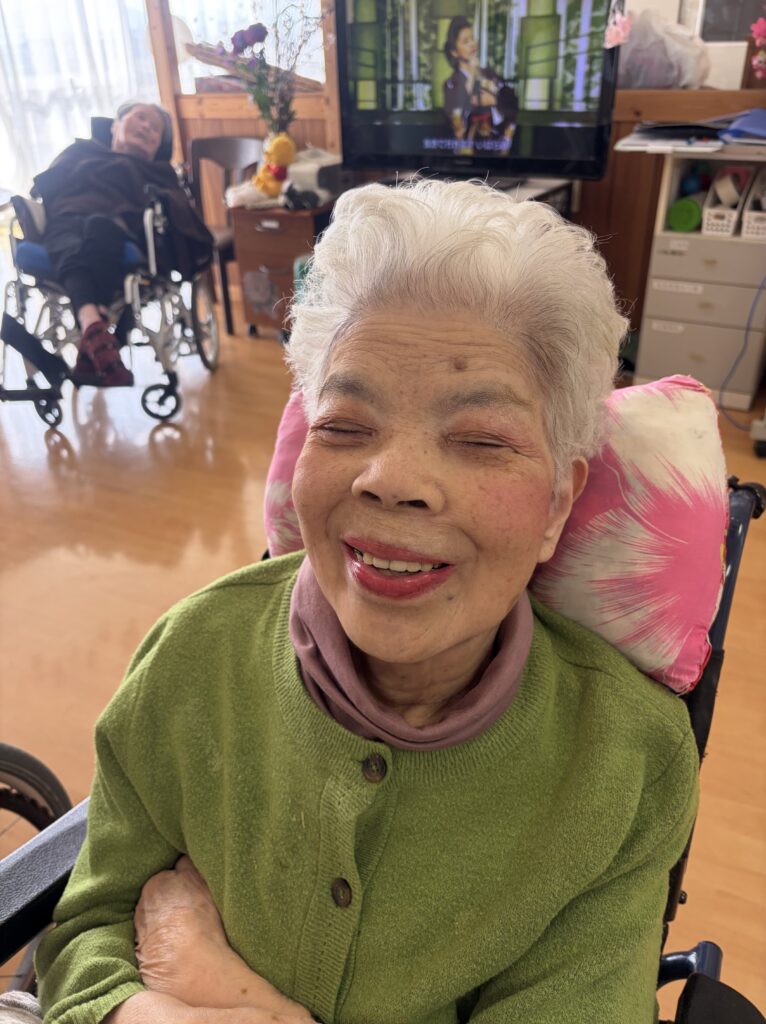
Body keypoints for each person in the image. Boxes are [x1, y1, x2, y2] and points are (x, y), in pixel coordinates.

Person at [36, 179, 698, 1024]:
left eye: (479, 439)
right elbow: (85, 931)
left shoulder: (625, 761)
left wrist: (221, 995)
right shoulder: (193, 658)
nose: (392, 479)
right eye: (345, 426)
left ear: (558, 505)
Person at [31, 102, 213, 387]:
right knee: (67, 235)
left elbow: (182, 220)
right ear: (114, 125)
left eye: (155, 129)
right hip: (65, 223)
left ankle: (90, 328)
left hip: (118, 232)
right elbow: (44, 190)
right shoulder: (80, 153)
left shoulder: (159, 174)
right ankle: (95, 330)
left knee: (97, 228)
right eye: (140, 118)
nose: (146, 127)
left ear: (158, 147)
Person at [443, 16, 518, 152]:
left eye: (472, 38)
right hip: (466, 152)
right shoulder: (451, 84)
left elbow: (512, 103)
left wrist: (494, 101)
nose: (473, 44)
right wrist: (472, 75)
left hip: (496, 150)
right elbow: (456, 119)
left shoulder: (490, 74)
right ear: (454, 51)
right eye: (466, 41)